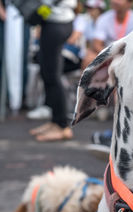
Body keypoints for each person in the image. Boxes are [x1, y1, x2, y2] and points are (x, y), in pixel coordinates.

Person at [29, 0, 77, 141]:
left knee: (53, 76)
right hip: (51, 21)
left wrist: (37, 13)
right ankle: (55, 122)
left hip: (58, 23)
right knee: (46, 73)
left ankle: (63, 127)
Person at [83, 0, 133, 68]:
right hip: (106, 54)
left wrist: (120, 57)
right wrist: (111, 56)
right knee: (89, 58)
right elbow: (97, 44)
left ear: (129, 3)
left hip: (127, 57)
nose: (114, 1)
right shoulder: (103, 18)